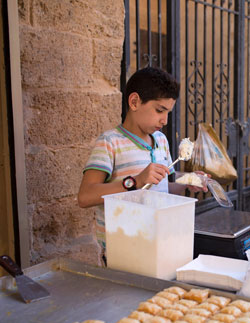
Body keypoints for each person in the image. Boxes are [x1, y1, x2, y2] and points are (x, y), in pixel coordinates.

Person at [78, 67, 207, 260]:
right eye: (159, 110)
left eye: (168, 112)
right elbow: (85, 196)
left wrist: (185, 183)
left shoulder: (161, 141)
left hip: (159, 242)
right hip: (124, 250)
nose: (164, 120)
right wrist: (135, 181)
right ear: (134, 102)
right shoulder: (110, 143)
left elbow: (159, 190)